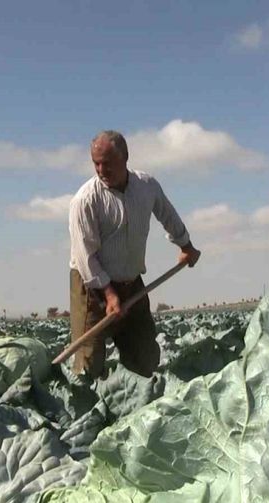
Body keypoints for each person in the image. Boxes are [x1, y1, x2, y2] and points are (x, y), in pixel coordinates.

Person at [68, 130, 201, 379]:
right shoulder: (85, 200)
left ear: (125, 157)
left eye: (106, 163)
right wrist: (108, 294)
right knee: (89, 365)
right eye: (95, 163)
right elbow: (86, 257)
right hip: (92, 287)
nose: (100, 169)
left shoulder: (146, 186)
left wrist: (186, 246)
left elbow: (168, 215)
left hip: (131, 283)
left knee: (145, 358)